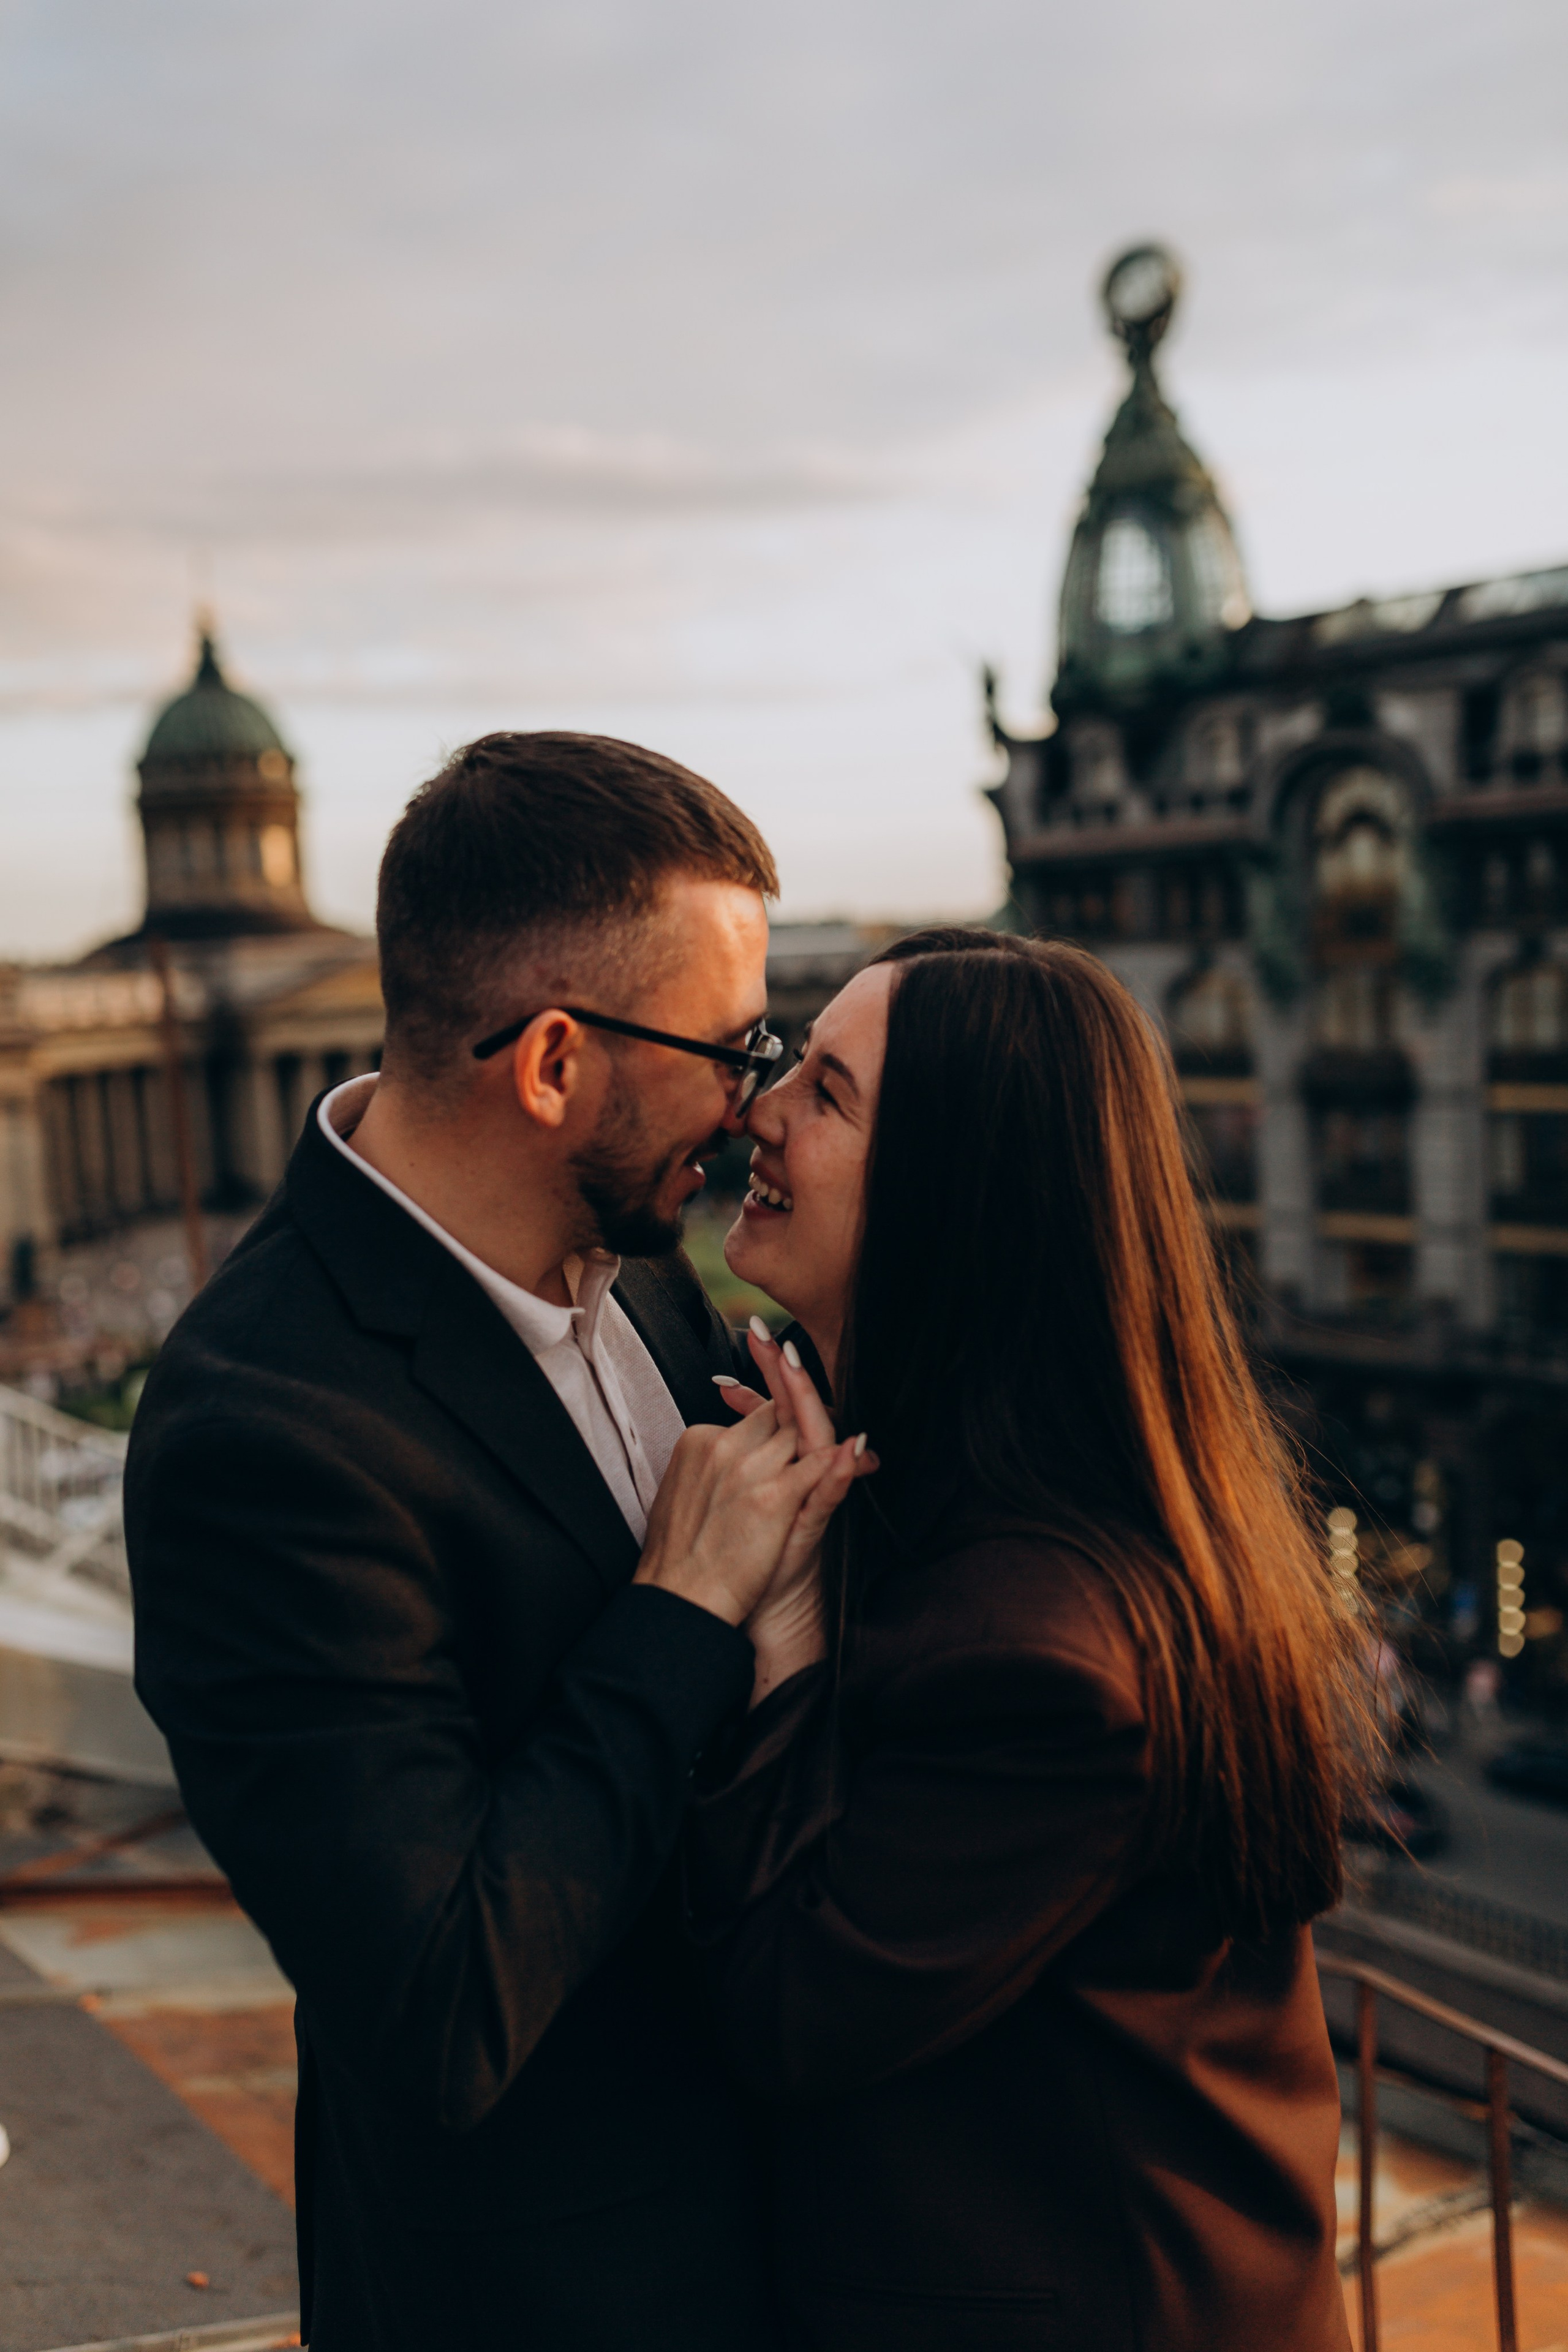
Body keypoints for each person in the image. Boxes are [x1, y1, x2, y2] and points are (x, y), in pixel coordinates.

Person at [126, 732, 864, 2352]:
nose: (749, 1103)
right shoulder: (264, 1435)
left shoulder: (645, 1257)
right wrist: (681, 1610)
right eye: (733, 1046)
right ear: (551, 1064)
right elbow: (441, 1999)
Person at [677, 927, 1362, 2352]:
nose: (759, 1108)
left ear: (955, 1195)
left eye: (829, 1091)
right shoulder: (958, 1515)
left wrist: (782, 1639)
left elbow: (787, 2017)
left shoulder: (1042, 1652)